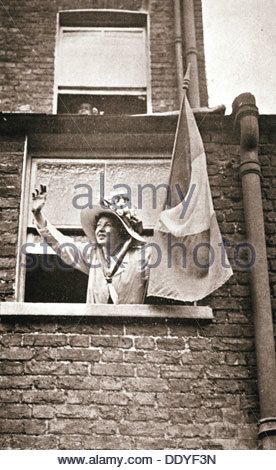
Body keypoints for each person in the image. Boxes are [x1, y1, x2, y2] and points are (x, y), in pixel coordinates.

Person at [31, 185, 151, 304]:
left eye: (108, 225)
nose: (100, 229)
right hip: (94, 323)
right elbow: (62, 245)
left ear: (122, 230)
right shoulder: (92, 255)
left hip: (130, 322)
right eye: (98, 225)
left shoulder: (143, 256)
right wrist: (38, 215)